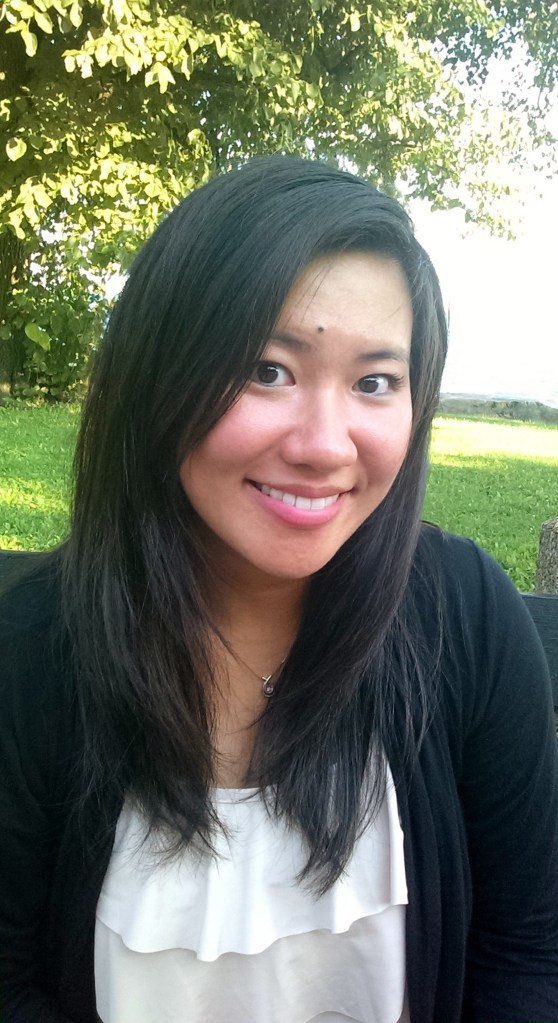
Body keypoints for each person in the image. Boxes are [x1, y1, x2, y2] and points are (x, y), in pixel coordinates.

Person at [1, 156, 557, 1023]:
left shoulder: (465, 617)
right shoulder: (30, 654)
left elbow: (527, 953)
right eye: (267, 368)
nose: (325, 444)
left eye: (375, 381)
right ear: (158, 374)